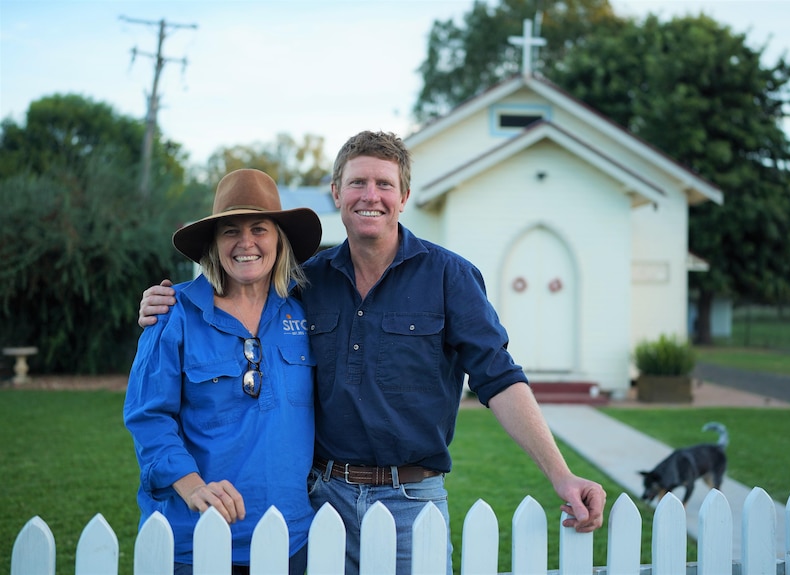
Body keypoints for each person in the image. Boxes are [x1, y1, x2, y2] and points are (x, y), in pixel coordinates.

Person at [138, 131, 606, 574]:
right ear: (336, 193)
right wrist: (165, 301)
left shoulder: (450, 278)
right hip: (324, 502)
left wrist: (561, 475)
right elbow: (233, 310)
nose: (371, 195)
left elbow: (499, 378)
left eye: (385, 184)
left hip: (412, 501)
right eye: (357, 182)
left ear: (403, 196)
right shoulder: (308, 283)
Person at [125, 168, 322, 574]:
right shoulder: (172, 313)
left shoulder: (305, 313)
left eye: (260, 228)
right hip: (196, 540)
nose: (245, 242)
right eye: (230, 230)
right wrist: (193, 488)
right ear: (213, 244)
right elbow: (148, 417)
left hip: (292, 540)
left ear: (279, 240)